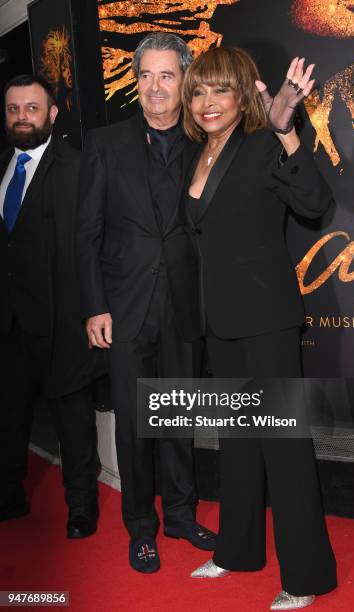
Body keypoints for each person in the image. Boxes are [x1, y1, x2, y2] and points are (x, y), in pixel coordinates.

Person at [181, 47, 337, 609]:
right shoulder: (197, 154)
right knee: (239, 443)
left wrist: (287, 129)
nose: (207, 103)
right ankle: (236, 551)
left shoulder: (261, 144)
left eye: (220, 90)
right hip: (219, 322)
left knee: (283, 446)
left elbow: (316, 202)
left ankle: (307, 576)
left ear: (244, 93)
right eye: (198, 91)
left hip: (266, 321)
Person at [76, 32, 216, 574]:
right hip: (124, 308)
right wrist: (94, 306)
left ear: (185, 80)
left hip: (183, 307)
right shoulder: (105, 143)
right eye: (146, 76)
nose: (155, 87)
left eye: (167, 75)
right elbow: (85, 233)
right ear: (135, 82)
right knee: (136, 424)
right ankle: (141, 527)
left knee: (179, 417)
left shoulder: (205, 143)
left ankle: (181, 514)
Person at [0, 74, 104, 538]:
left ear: (52, 115)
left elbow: (93, 246)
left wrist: (92, 311)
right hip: (8, 324)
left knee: (72, 419)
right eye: (14, 109)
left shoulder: (78, 168)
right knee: (8, 415)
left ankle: (81, 507)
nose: (22, 117)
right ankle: (9, 497)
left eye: (32, 108)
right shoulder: (1, 164)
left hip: (62, 319)